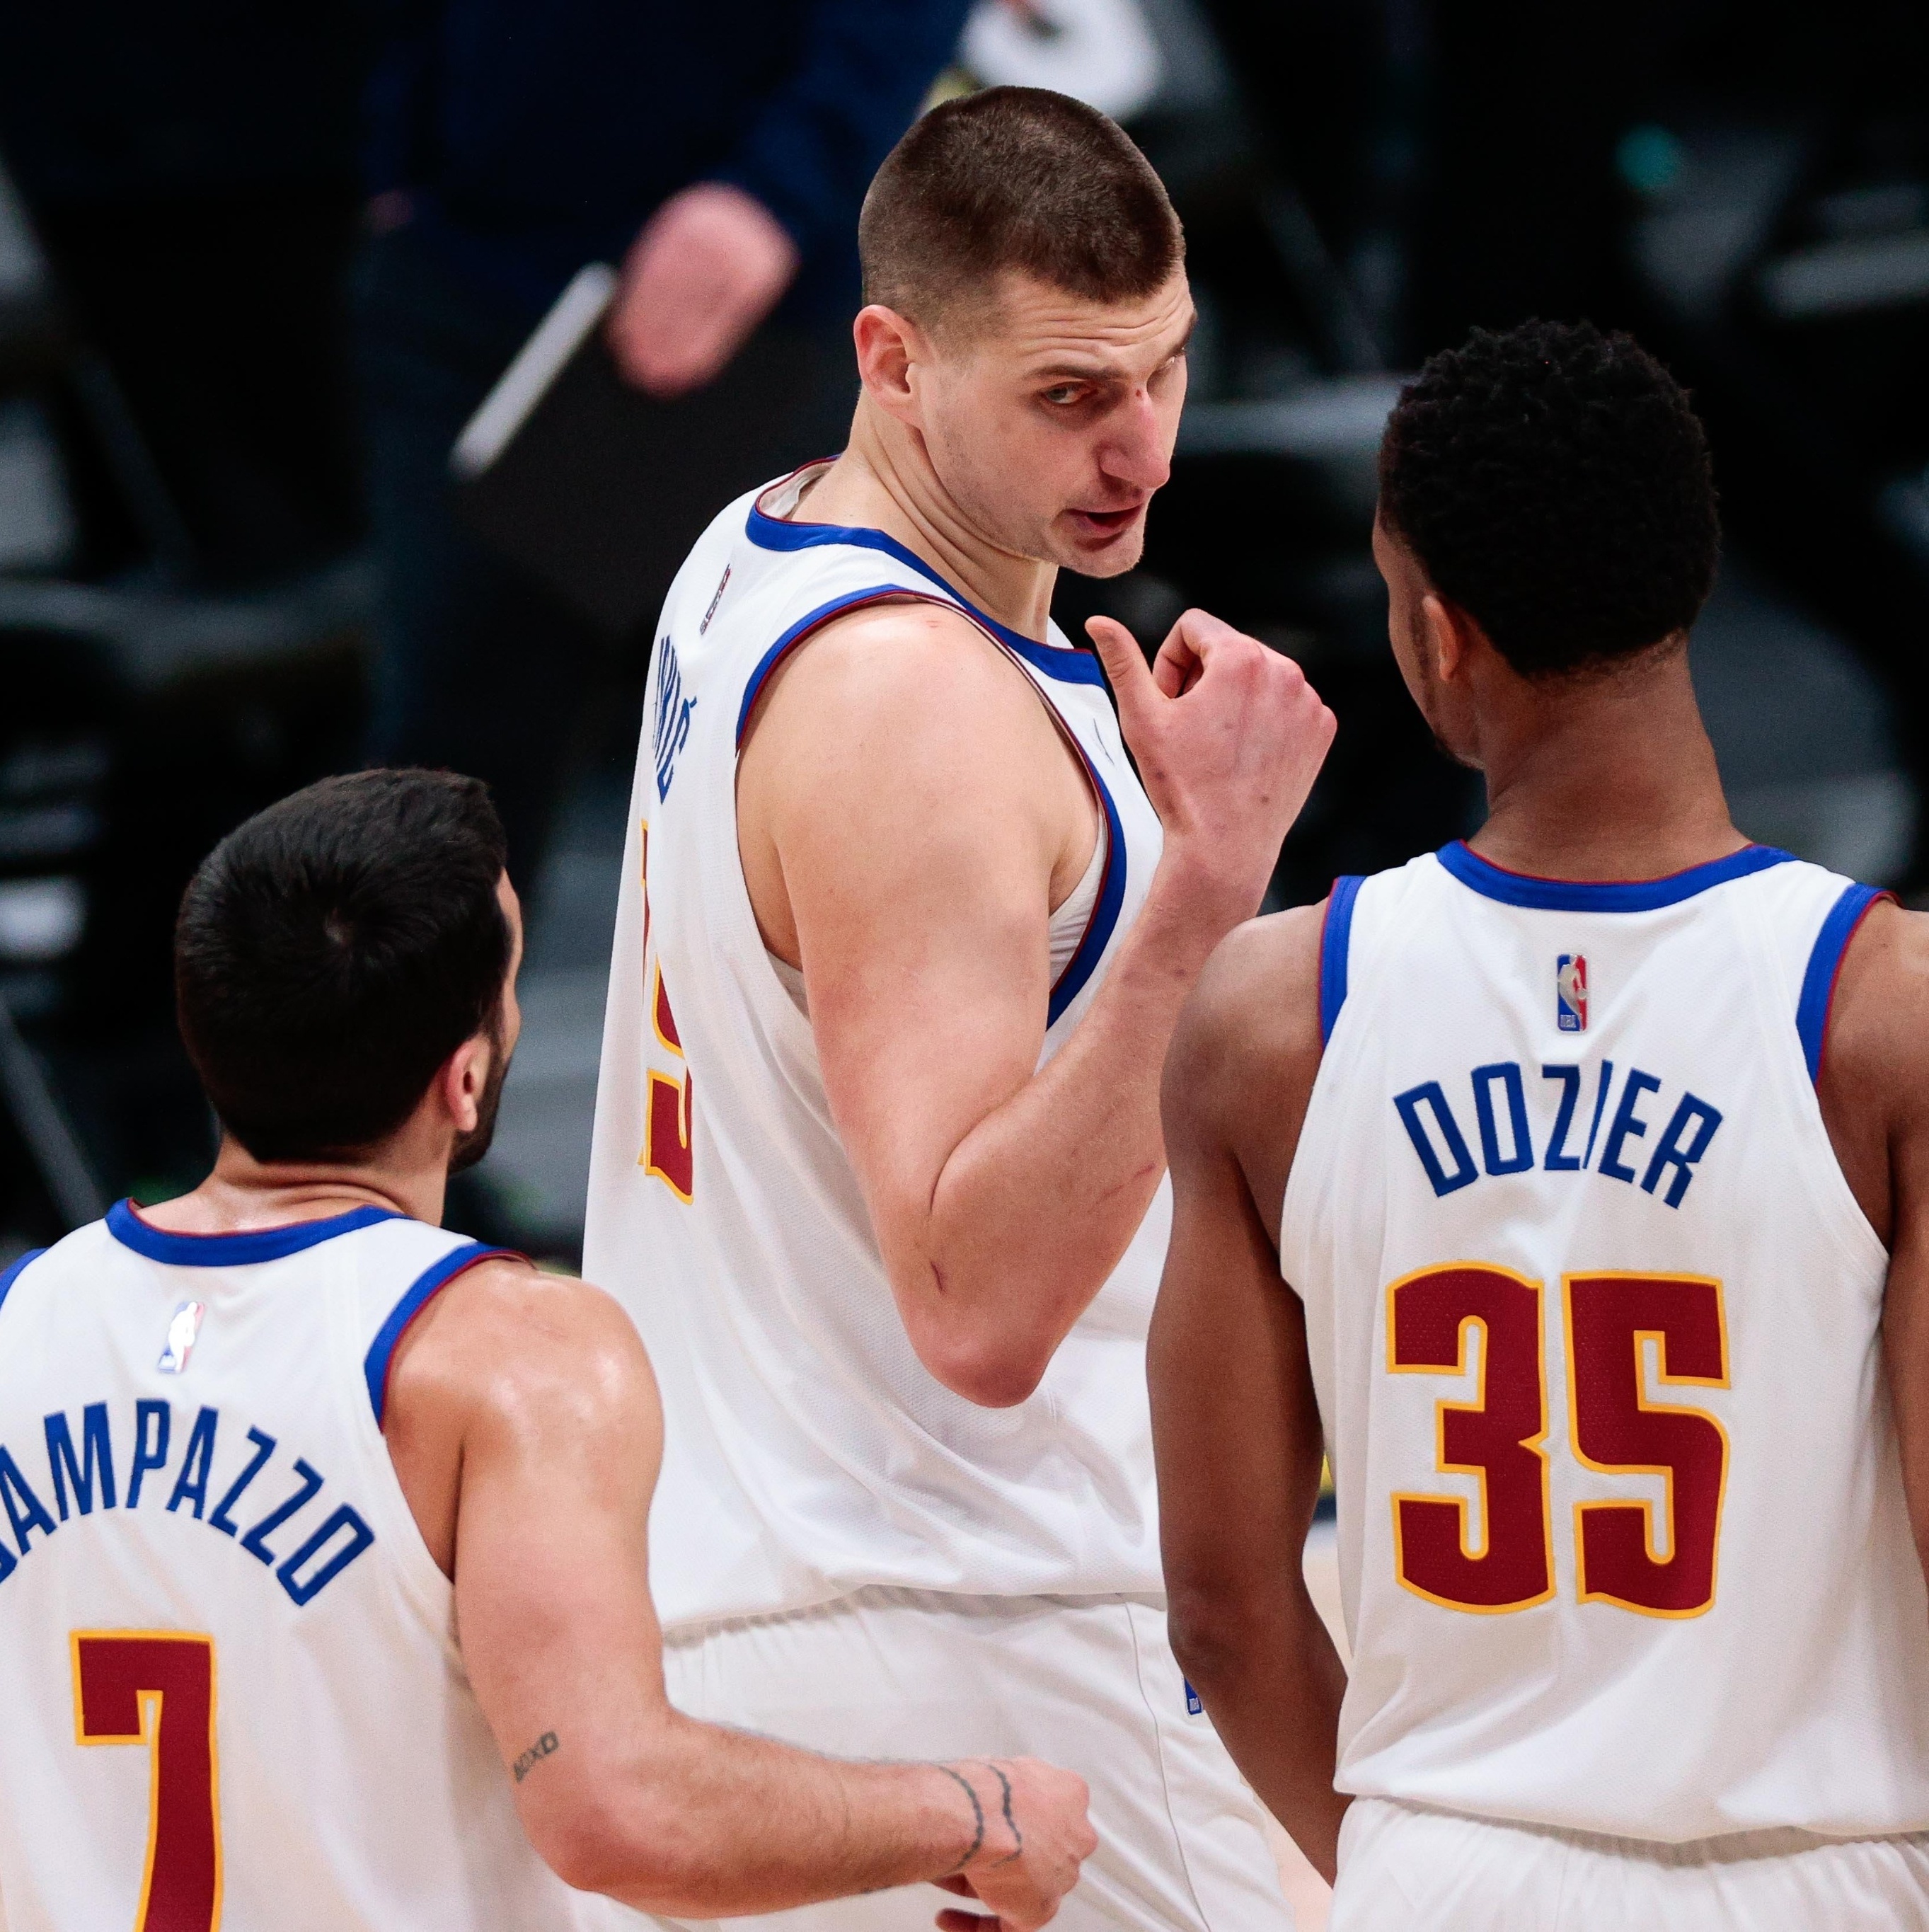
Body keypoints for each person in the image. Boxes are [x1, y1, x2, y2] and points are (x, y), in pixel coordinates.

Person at [584, 86, 1335, 1931]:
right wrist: (1204, 892)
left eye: (1159, 369)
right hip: (981, 1656)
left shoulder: (744, 547)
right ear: (891, 359)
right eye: (1067, 397)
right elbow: (972, 1300)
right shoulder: (910, 710)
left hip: (747, 1624)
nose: (1138, 448)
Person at [0, 768, 1093, 1932]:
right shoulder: (501, 1352)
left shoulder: (28, 1316)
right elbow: (623, 1811)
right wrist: (975, 1811)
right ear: (464, 1080)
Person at [1151, 318, 1929, 1927]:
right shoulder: (1879, 1010)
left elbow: (1223, 1607)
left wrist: (1401, 1863)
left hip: (1446, 1869)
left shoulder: (1273, 1016)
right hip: (1818, 1880)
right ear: (1693, 580)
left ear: (1438, 637)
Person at [357, 0, 972, 893]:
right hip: (466, 266)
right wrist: (399, 143)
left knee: (800, 751)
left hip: (750, 297)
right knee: (445, 766)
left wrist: (773, 193)